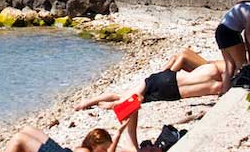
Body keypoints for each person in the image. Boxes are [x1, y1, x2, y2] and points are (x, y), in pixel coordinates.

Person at [76, 59, 225, 109]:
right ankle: (108, 105)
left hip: (168, 79)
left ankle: (90, 102)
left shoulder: (214, 68)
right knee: (126, 99)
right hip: (171, 94)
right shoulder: (219, 87)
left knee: (123, 96)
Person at [216, 1, 250, 92]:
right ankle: (239, 93)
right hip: (230, 33)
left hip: (220, 31)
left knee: (229, 66)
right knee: (242, 66)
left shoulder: (245, 5)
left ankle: (224, 92)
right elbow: (248, 35)